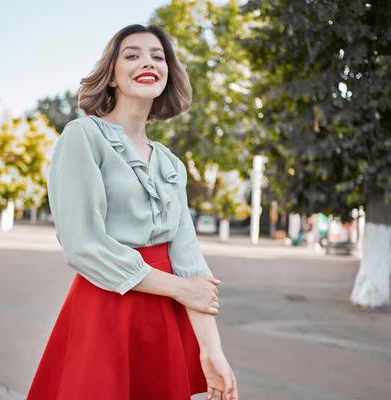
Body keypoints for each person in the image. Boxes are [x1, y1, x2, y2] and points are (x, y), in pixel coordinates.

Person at [27, 24, 238, 400]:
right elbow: (83, 245)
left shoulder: (172, 164)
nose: (148, 62)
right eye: (133, 54)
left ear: (168, 74)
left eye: (158, 56)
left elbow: (191, 264)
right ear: (111, 74)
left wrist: (212, 350)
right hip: (105, 309)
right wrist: (179, 289)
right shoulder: (83, 136)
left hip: (163, 321)